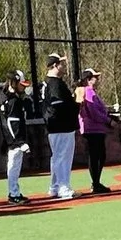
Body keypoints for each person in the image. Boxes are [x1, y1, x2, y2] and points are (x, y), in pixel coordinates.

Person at [41, 55, 79, 200]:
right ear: (56, 65)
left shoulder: (47, 83)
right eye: (62, 64)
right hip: (61, 125)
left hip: (55, 126)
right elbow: (59, 106)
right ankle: (63, 187)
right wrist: (76, 103)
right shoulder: (55, 83)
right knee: (63, 157)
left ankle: (55, 186)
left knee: (57, 157)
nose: (64, 66)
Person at [0, 69, 38, 199]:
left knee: (15, 167)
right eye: (21, 84)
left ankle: (14, 192)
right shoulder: (12, 101)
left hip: (14, 141)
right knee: (13, 167)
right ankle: (13, 193)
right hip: (14, 142)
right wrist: (20, 142)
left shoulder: (10, 98)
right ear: (15, 83)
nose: (23, 87)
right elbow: (10, 123)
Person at [78, 69, 113, 193]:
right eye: (95, 78)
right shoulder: (88, 92)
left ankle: (96, 182)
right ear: (89, 79)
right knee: (96, 156)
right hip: (92, 129)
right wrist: (107, 120)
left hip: (96, 128)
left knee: (99, 155)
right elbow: (94, 112)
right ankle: (96, 183)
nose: (97, 80)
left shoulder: (91, 92)